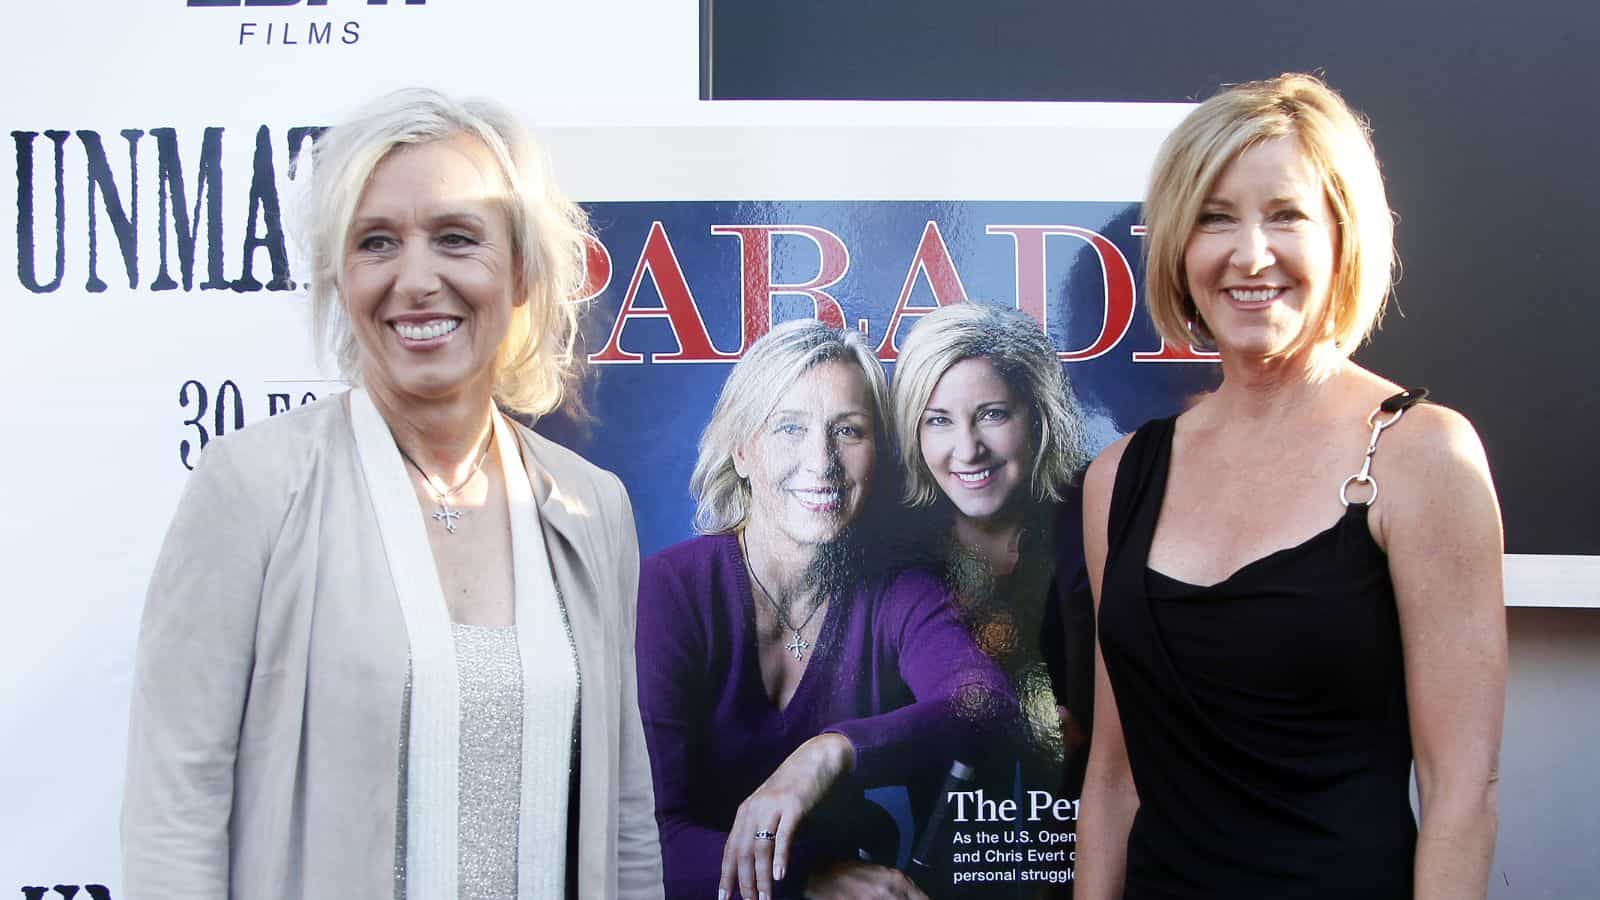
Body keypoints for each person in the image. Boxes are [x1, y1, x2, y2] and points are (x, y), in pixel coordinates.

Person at [121, 89, 663, 900]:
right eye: (377, 242)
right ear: (340, 278)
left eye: (456, 238)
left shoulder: (591, 507)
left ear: (520, 271)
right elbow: (175, 812)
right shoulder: (254, 488)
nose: (417, 280)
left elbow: (624, 819)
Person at [1076, 73, 1506, 900]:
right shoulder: (1118, 478)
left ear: (1344, 238)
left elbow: (1463, 794)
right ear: (1176, 243)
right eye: (1214, 216)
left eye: (1286, 215)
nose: (1250, 253)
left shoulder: (1422, 456)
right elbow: (1113, 782)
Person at [636, 319, 1016, 900]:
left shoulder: (896, 587)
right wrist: (812, 887)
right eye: (789, 427)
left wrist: (831, 753)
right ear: (741, 450)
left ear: (877, 454)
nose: (822, 461)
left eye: (848, 431)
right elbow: (646, 838)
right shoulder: (669, 591)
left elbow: (986, 704)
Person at [890, 302, 1094, 895]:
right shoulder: (893, 553)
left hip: (1081, 848)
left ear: (1037, 417)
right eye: (937, 421)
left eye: (992, 414)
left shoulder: (1090, 522)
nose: (968, 448)